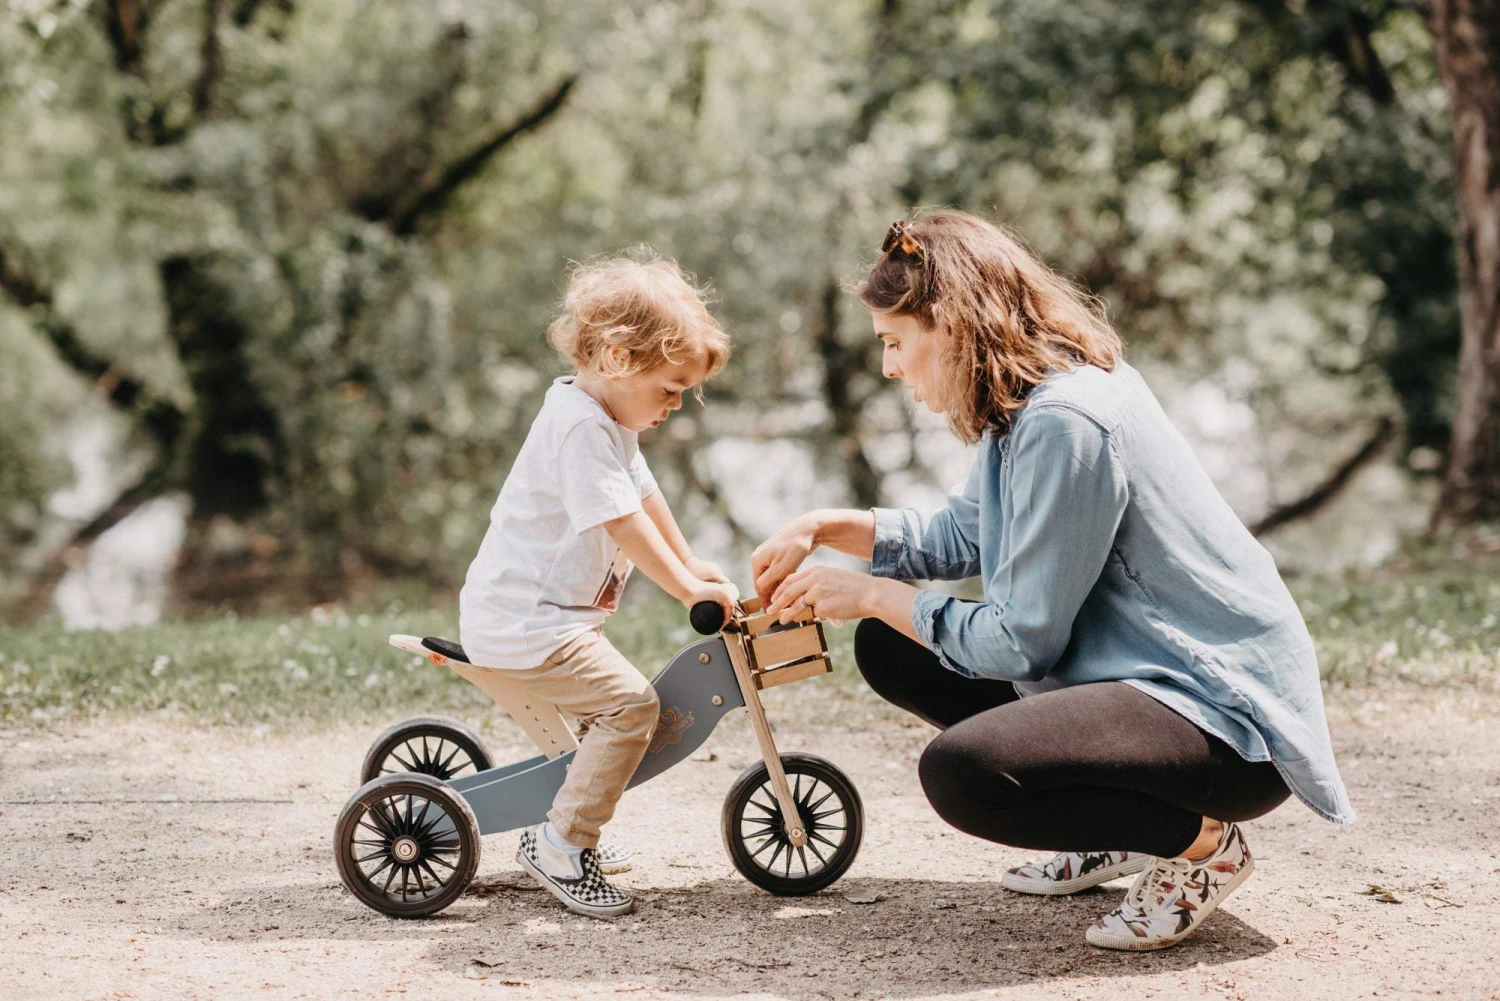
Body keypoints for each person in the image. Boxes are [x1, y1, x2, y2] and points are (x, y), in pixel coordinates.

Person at [752, 210, 1353, 951]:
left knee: (966, 774)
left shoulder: (1067, 420)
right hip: (1138, 676)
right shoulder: (1023, 398)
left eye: (895, 343)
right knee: (890, 644)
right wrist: (827, 526)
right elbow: (963, 535)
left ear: (953, 325)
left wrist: (872, 590)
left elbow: (1019, 641)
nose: (890, 367)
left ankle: (1199, 847)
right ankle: (1117, 825)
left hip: (1221, 721)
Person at [459, 253, 738, 918]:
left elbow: (643, 496)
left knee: (614, 711)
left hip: (545, 618)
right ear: (616, 357)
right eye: (670, 388)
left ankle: (566, 816)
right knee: (632, 708)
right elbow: (619, 520)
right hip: (527, 623)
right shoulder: (581, 427)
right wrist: (683, 590)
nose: (675, 404)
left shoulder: (605, 419)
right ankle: (560, 843)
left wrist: (690, 563)